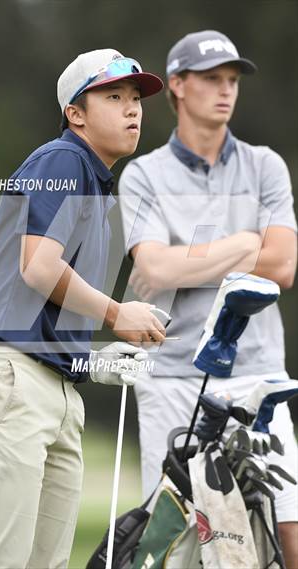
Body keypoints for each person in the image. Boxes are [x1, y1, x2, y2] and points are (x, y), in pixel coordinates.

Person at [0, 49, 166, 569]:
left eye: (136, 98)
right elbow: (38, 268)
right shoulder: (62, 161)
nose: (133, 109)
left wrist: (94, 358)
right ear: (76, 113)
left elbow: (46, 300)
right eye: (114, 96)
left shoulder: (96, 186)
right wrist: (117, 314)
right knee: (0, 562)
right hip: (9, 381)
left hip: (54, 389)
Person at [119, 30, 298, 568]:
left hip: (257, 374)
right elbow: (151, 268)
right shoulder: (144, 175)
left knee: (288, 524)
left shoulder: (265, 166)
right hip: (172, 373)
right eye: (211, 79)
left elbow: (284, 266)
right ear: (177, 86)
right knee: (173, 536)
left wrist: (190, 259)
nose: (226, 90)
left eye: (232, 80)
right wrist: (246, 245)